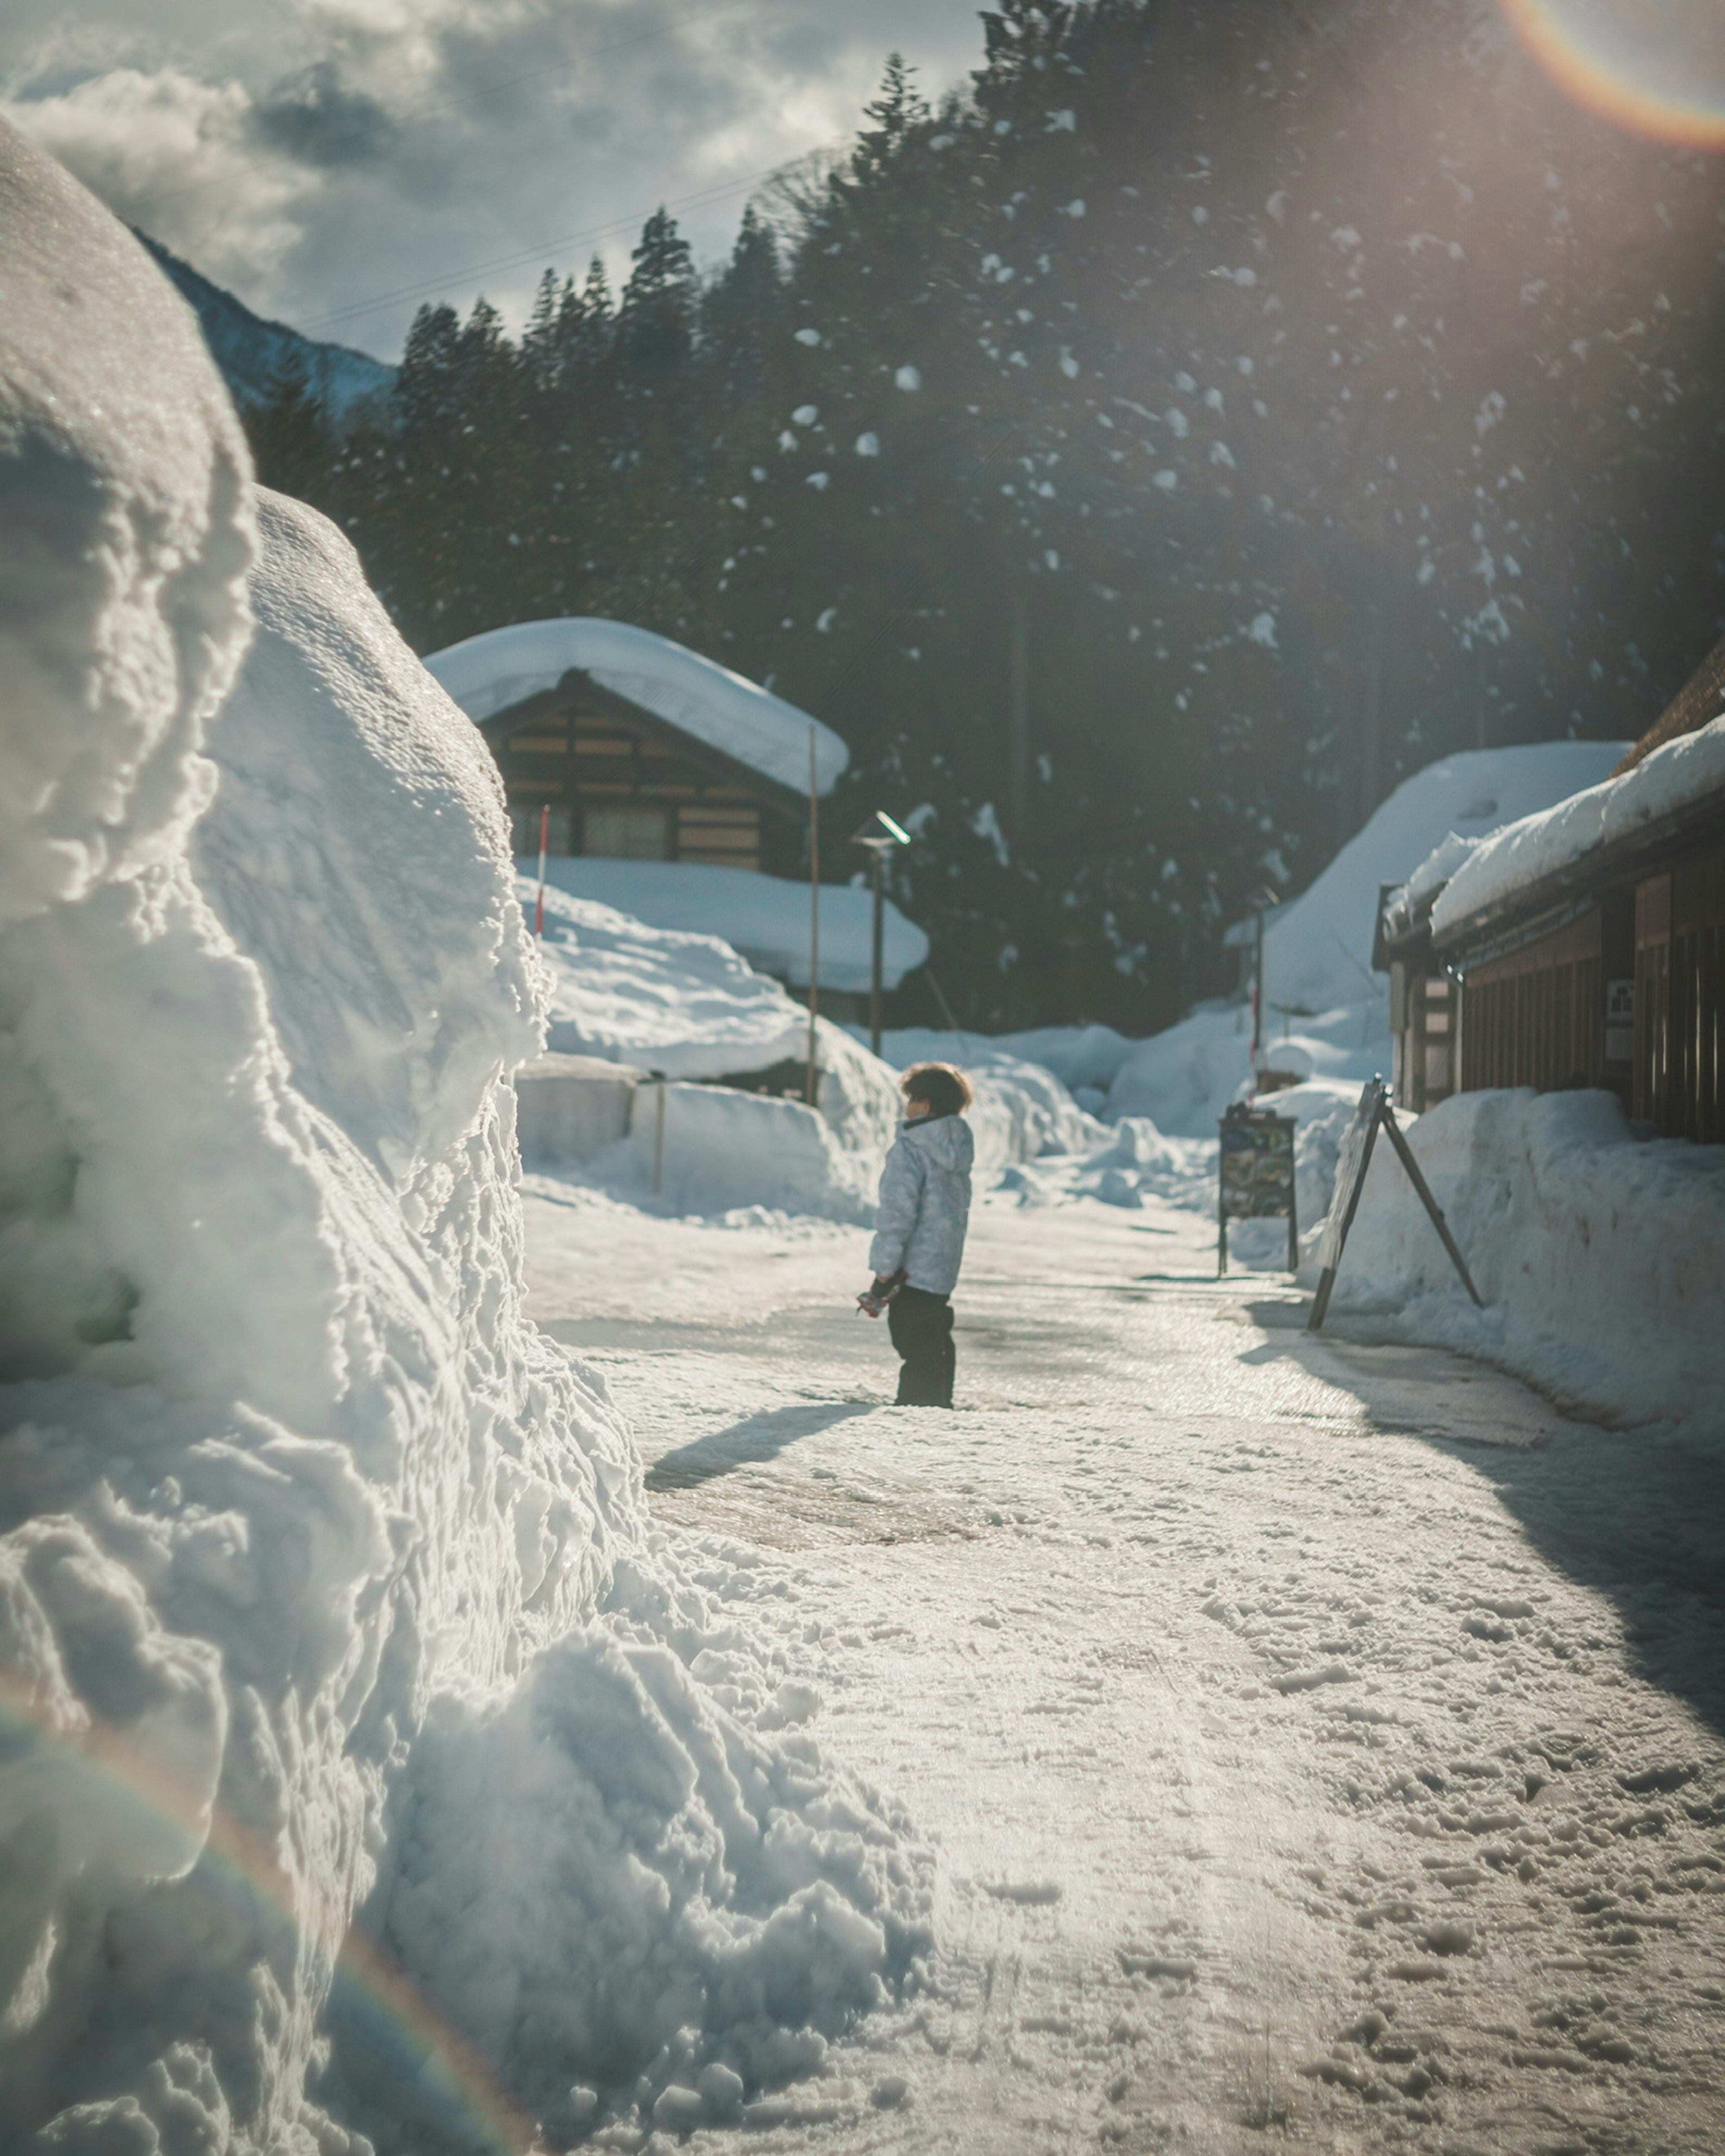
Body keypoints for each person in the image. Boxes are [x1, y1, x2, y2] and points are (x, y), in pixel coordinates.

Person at [858, 1061, 975, 1408]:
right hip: (941, 1265)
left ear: (925, 1105)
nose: (907, 1108)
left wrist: (884, 1269)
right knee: (936, 1336)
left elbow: (897, 1214)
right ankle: (940, 1404)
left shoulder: (911, 1148)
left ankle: (917, 1416)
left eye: (911, 1100)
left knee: (914, 1344)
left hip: (910, 1267)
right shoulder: (958, 1147)